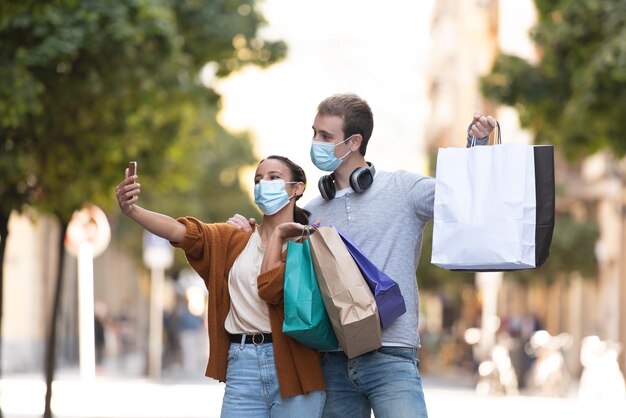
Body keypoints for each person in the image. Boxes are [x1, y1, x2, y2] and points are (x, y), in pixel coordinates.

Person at [228, 93, 496, 418]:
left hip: (391, 353)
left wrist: (477, 146)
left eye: (325, 136)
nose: (316, 142)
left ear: (354, 141)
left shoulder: (403, 189)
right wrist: (243, 231)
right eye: (314, 133)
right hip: (333, 359)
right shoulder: (310, 212)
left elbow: (459, 195)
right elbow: (272, 261)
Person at [115, 155, 326, 418]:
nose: (264, 185)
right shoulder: (233, 239)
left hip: (296, 368)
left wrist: (281, 234)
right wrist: (133, 211)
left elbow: (270, 289)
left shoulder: (306, 246)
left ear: (298, 188)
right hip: (243, 364)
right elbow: (181, 232)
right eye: (258, 180)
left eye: (274, 178)